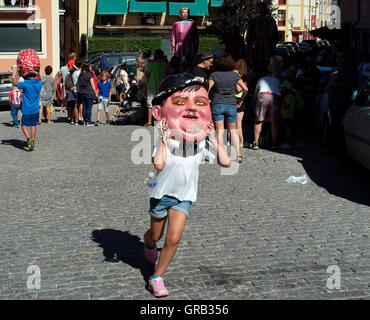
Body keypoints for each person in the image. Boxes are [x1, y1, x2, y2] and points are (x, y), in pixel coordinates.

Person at [143, 73, 231, 298]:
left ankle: (157, 277)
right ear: (159, 113)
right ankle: (149, 243)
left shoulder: (202, 143)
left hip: (184, 196)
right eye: (180, 102)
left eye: (200, 103)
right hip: (161, 194)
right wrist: (163, 139)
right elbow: (159, 164)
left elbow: (226, 162)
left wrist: (213, 138)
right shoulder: (166, 138)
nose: (192, 109)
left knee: (173, 238)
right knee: (155, 234)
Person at [208, 54, 248, 163]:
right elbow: (245, 89)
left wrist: (207, 99)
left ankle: (221, 155)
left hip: (217, 104)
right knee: (233, 131)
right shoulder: (234, 76)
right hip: (231, 104)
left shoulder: (214, 75)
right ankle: (238, 155)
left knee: (220, 132)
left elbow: (207, 88)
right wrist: (240, 100)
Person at [13, 68, 42, 151]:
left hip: (26, 109)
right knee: (33, 125)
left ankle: (29, 140)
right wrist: (36, 72)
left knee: (23, 125)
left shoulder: (25, 83)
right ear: (34, 75)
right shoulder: (39, 84)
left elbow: (14, 83)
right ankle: (32, 141)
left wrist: (17, 73)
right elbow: (40, 79)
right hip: (35, 109)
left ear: (27, 76)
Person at [252, 67, 281, 150]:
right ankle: (274, 142)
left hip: (263, 95)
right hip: (274, 96)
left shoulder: (261, 80)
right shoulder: (276, 80)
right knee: (274, 121)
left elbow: (255, 95)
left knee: (258, 120)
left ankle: (255, 142)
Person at [144, 49, 167, 127]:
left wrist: (146, 84)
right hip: (162, 86)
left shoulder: (152, 64)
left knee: (150, 104)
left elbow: (147, 74)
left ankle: (149, 121)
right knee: (160, 104)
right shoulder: (165, 64)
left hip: (151, 85)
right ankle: (159, 120)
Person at [233, 59, 249, 150]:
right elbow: (243, 89)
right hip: (240, 100)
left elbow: (238, 88)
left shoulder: (235, 75)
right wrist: (242, 99)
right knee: (239, 123)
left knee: (231, 123)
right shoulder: (243, 76)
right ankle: (241, 141)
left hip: (235, 99)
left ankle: (231, 141)